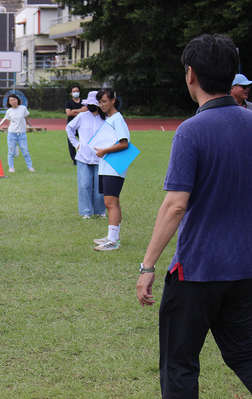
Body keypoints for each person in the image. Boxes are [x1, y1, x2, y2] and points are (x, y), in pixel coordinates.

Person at [137, 33, 252, 398]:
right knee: (246, 355)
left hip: (197, 271)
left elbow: (175, 205)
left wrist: (147, 266)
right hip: (246, 270)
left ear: (190, 75)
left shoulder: (192, 130)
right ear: (233, 74)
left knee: (179, 363)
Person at [92, 89, 130, 251]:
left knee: (110, 203)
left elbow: (124, 143)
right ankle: (112, 236)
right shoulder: (111, 119)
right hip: (108, 166)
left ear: (113, 100)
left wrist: (104, 151)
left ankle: (113, 241)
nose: (102, 105)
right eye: (100, 102)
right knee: (112, 203)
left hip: (114, 167)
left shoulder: (117, 119)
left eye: (104, 101)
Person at [66, 91, 106, 219]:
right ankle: (86, 212)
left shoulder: (107, 118)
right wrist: (76, 144)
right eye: (88, 104)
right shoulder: (82, 116)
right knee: (84, 184)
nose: (90, 107)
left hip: (101, 157)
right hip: (83, 156)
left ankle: (100, 211)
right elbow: (69, 128)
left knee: (100, 186)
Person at [0, 94, 35, 172]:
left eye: (14, 99)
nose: (13, 101)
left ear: (17, 100)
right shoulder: (9, 111)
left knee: (25, 150)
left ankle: (30, 166)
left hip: (22, 133)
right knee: (11, 151)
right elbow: (9, 122)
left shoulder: (23, 108)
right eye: (11, 100)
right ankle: (11, 167)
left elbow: (26, 118)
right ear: (9, 103)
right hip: (12, 133)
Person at [65, 85, 87, 165]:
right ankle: (74, 160)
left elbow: (86, 111)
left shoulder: (84, 102)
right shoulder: (68, 103)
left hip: (82, 125)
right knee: (71, 143)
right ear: (71, 93)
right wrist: (81, 111)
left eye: (77, 91)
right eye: (74, 91)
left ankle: (84, 157)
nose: (76, 93)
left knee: (84, 141)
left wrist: (75, 111)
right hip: (72, 125)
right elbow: (69, 113)